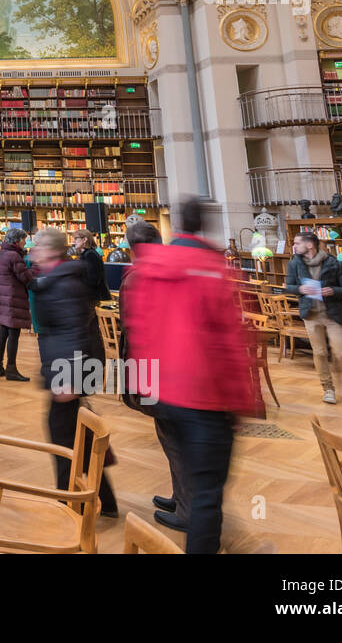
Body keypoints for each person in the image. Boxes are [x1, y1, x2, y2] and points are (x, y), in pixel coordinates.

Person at [122, 198, 254, 553]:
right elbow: (229, 340)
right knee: (209, 493)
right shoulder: (214, 268)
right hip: (205, 394)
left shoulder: (148, 267)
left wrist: (142, 385)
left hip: (162, 388)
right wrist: (240, 402)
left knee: (178, 456)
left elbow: (139, 331)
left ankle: (192, 510)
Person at [25, 227, 117, 518]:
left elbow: (72, 331)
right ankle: (105, 499)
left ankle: (68, 506)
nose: (32, 252)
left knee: (63, 438)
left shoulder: (64, 282)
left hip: (69, 372)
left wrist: (67, 379)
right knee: (79, 434)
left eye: (37, 248)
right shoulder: (59, 278)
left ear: (51, 251)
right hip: (67, 369)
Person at [117, 220, 191, 531]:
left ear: (133, 248)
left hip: (155, 366)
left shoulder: (140, 276)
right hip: (174, 364)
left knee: (173, 437)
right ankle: (180, 496)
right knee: (170, 434)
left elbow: (134, 325)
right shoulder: (174, 267)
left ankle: (187, 510)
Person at [285, 231, 342, 404]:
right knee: (320, 353)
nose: (294, 246)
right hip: (311, 314)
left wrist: (334, 291)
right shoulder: (295, 263)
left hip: (333, 313)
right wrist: (300, 289)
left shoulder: (334, 263)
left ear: (310, 245)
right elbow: (290, 286)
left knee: (341, 353)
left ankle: (340, 377)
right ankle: (328, 388)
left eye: (297, 243)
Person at [0, 228, 33, 382]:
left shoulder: (0, 253)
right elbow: (26, 277)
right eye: (23, 240)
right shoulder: (14, 256)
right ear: (16, 241)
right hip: (12, 300)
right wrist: (34, 270)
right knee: (14, 334)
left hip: (1, 300)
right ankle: (11, 369)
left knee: (3, 333)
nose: (25, 242)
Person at [72, 229, 111, 303]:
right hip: (93, 297)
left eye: (76, 238)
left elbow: (93, 280)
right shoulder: (87, 254)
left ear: (84, 239)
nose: (74, 241)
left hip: (97, 298)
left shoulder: (90, 255)